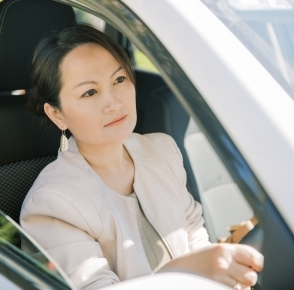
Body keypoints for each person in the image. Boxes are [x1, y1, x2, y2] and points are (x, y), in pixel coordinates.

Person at [20, 25, 263, 290]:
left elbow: (194, 234)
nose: (114, 102)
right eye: (90, 92)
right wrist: (186, 271)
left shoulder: (162, 150)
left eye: (119, 80)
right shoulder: (51, 203)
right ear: (57, 115)